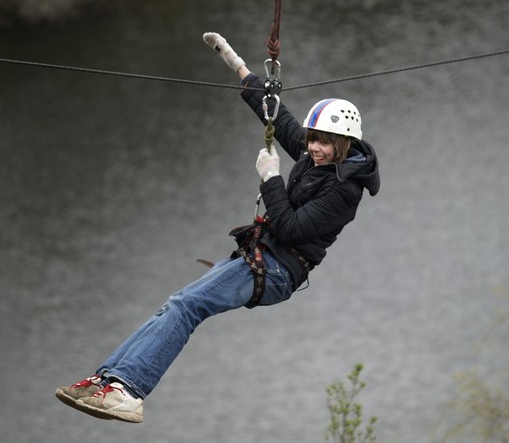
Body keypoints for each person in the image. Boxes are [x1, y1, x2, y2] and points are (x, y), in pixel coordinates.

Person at [54, 32, 380, 423]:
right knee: (177, 303)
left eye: (324, 143)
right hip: (261, 256)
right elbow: (278, 117)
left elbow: (291, 229)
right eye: (312, 140)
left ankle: (129, 390)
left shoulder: (346, 191)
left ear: (344, 144)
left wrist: (271, 179)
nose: (313, 148)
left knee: (188, 306)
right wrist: (237, 64)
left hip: (279, 270)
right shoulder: (317, 157)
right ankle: (109, 380)